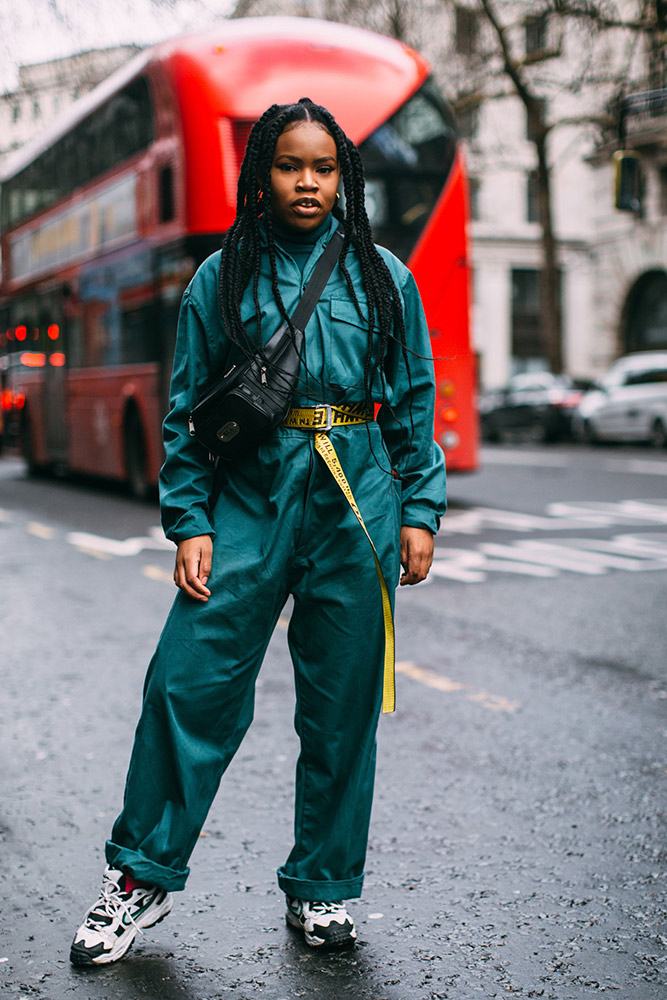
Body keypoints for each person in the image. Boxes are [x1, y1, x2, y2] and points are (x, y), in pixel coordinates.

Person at [70, 97, 446, 965]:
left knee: (343, 708)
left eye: (321, 166)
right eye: (288, 165)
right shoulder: (220, 277)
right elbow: (185, 411)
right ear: (261, 174)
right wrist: (189, 520)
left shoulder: (384, 275)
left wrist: (419, 512)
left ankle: (323, 890)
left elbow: (413, 401)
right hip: (246, 497)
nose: (306, 181)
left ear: (342, 176)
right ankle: (138, 879)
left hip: (355, 502)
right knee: (186, 683)